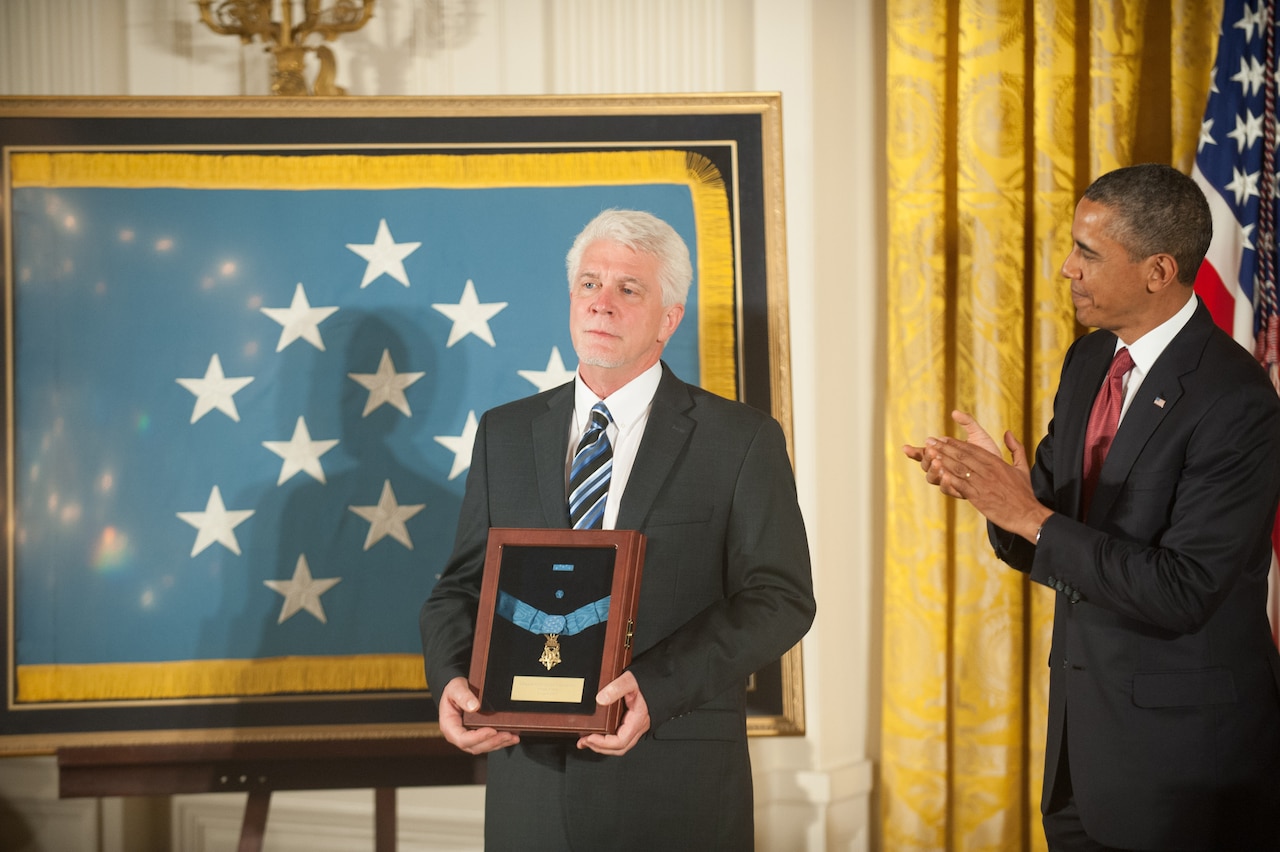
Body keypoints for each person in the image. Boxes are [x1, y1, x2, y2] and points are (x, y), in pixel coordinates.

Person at [904, 163, 1280, 851]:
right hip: (1081, 754)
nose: (1067, 268)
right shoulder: (1088, 363)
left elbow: (1183, 589)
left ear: (1158, 270)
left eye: (1088, 253)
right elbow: (1051, 537)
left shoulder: (1237, 400)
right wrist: (999, 494)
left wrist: (1027, 514)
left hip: (1185, 772)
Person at [421, 208, 816, 851]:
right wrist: (450, 681)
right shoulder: (505, 432)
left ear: (670, 317)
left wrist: (656, 689)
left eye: (628, 289)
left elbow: (781, 600)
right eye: (589, 284)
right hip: (530, 792)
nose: (601, 303)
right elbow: (458, 589)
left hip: (672, 787)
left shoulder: (740, 441)